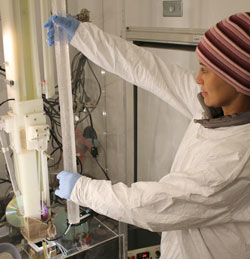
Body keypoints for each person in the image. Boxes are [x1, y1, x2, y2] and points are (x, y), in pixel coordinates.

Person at [44, 12, 250, 259]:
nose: (197, 78)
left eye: (205, 70)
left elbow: (156, 206)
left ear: (237, 79)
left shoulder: (236, 160)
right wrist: (82, 36)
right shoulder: (214, 109)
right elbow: (147, 68)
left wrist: (83, 190)